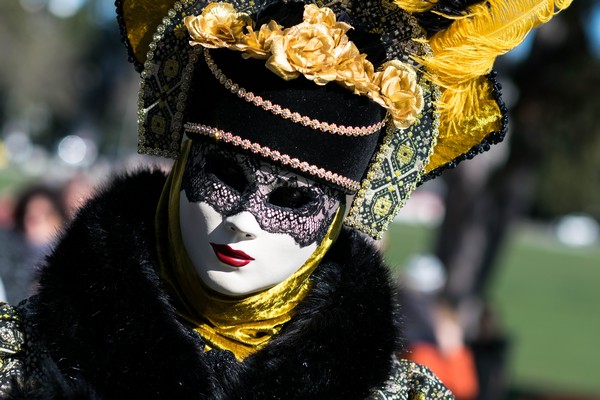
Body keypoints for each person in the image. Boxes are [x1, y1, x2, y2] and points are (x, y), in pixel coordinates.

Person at [0, 0, 569, 398]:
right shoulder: (20, 361)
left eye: (295, 199)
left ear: (340, 217)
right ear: (179, 171)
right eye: (225, 175)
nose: (246, 220)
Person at [0, 184, 67, 305]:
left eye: (46, 214)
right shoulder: (7, 258)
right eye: (30, 215)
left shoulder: (70, 260)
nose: (37, 220)